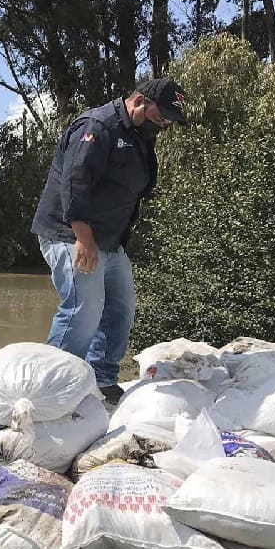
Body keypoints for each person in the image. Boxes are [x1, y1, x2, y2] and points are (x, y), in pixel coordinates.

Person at [31, 78, 188, 404]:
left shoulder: (140, 135)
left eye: (172, 118)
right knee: (83, 309)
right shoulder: (98, 125)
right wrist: (84, 239)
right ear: (142, 100)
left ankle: (100, 378)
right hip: (70, 235)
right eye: (164, 113)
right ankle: (49, 387)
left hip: (108, 240)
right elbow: (75, 183)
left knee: (121, 307)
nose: (166, 122)